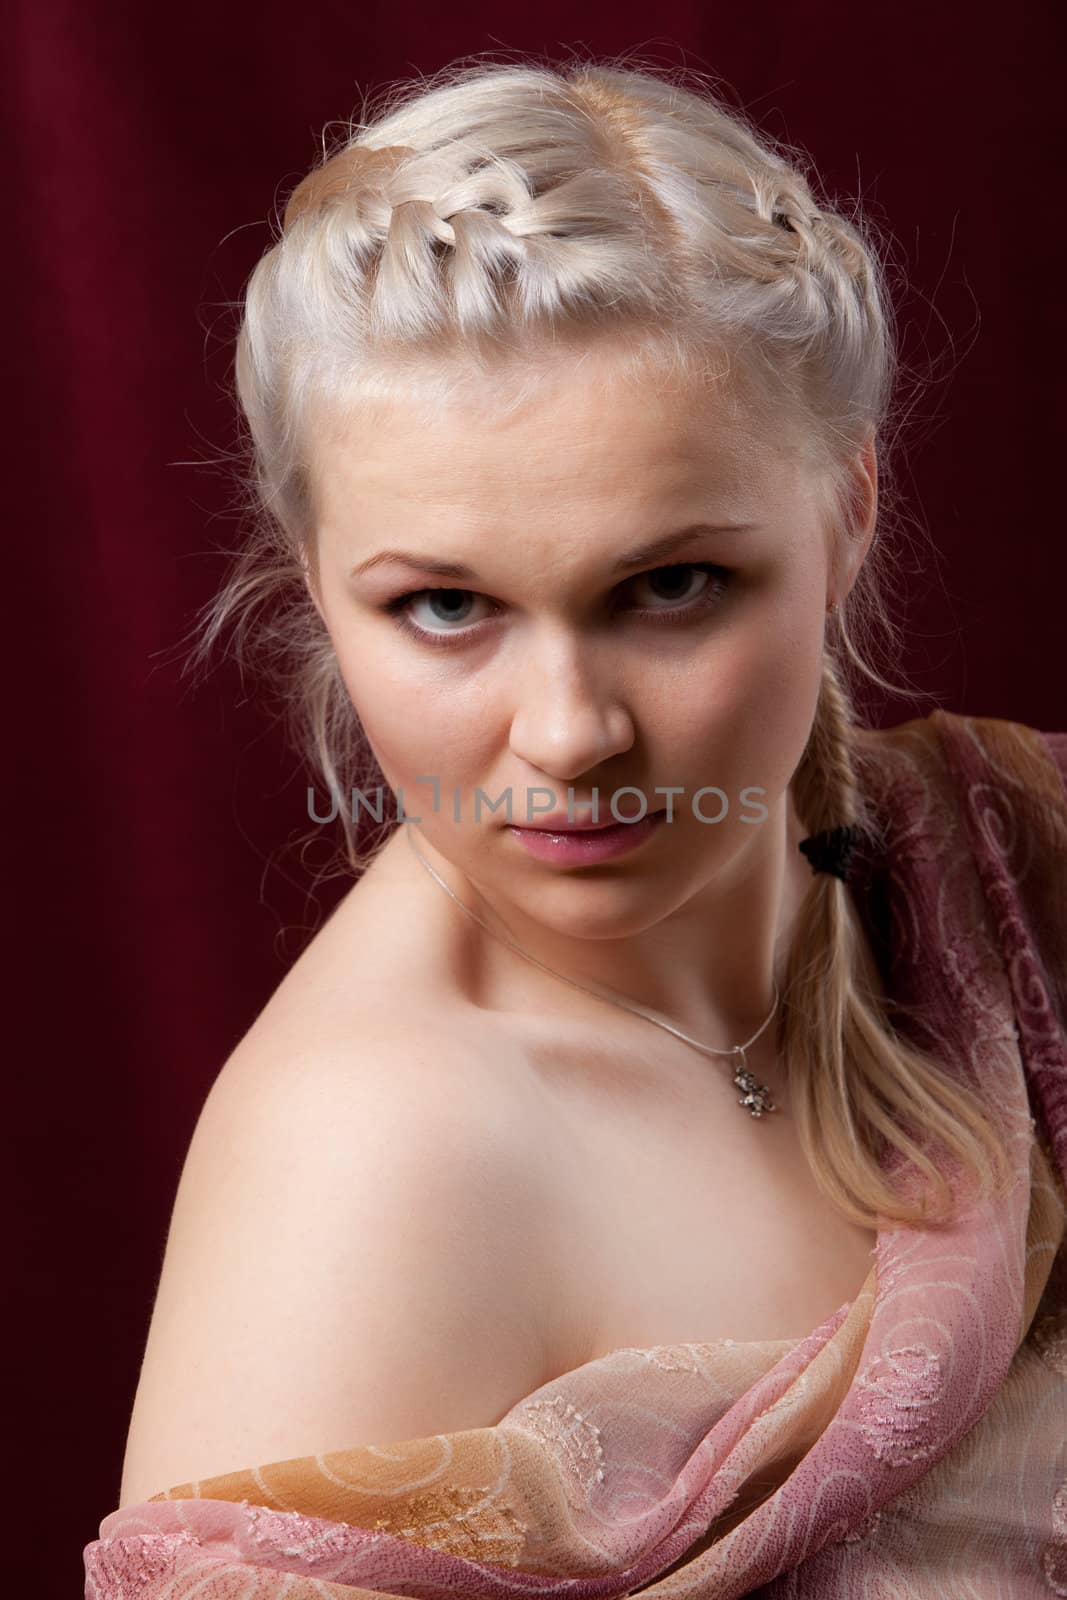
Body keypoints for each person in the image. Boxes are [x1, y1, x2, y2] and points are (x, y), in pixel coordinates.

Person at [84, 52, 1067, 1599]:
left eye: (671, 586)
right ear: (315, 576)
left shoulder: (1007, 869)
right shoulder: (372, 1169)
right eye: (446, 606)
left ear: (850, 513)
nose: (569, 736)